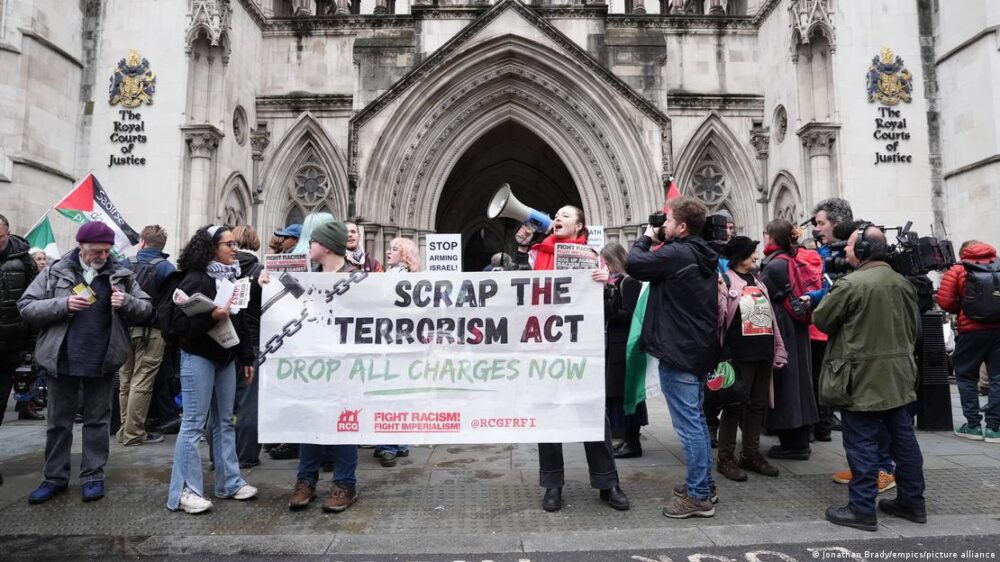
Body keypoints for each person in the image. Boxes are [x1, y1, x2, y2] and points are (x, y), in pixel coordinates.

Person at [18, 222, 152, 504]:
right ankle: (54, 478)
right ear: (81, 246)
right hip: (62, 358)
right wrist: (63, 304)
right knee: (58, 423)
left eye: (106, 251)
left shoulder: (122, 274)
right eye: (96, 251)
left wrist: (126, 301)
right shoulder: (55, 271)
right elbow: (26, 306)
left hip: (103, 359)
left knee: (98, 422)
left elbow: (146, 308)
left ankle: (93, 476)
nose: (102, 256)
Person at [512, 205, 628, 512]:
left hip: (581, 350)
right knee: (549, 415)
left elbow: (610, 311)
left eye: (566, 215)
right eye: (557, 215)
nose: (558, 218)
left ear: (579, 226)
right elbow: (514, 295)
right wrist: (522, 250)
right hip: (544, 349)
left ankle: (607, 482)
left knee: (593, 416)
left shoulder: (592, 257)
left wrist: (606, 286)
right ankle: (553, 484)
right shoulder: (536, 255)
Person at [814, 223, 926, 531]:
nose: (846, 250)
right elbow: (914, 330)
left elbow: (822, 320)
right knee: (903, 441)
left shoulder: (850, 285)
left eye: (850, 245)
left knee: (861, 443)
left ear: (863, 250)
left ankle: (862, 509)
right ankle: (913, 502)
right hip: (898, 377)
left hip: (860, 378)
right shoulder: (902, 283)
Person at [626, 196, 720, 518]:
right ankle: (704, 484)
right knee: (698, 422)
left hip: (679, 350)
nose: (662, 225)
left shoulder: (678, 253)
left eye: (667, 221)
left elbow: (634, 265)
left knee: (689, 425)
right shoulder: (701, 252)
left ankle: (698, 497)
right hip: (696, 348)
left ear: (681, 227)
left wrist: (645, 238)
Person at [165, 225, 257, 514]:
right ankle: (185, 491)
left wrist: (246, 358)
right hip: (198, 356)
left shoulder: (233, 277)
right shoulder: (195, 279)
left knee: (224, 421)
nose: (234, 249)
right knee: (193, 423)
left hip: (225, 358)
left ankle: (229, 482)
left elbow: (239, 320)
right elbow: (178, 326)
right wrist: (212, 317)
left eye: (235, 244)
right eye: (228, 244)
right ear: (211, 248)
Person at [277, 220, 362, 513]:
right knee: (310, 418)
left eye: (312, 241)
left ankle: (345, 484)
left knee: (344, 422)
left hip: (345, 364)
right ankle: (306, 481)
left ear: (326, 246)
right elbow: (288, 298)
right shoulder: (310, 276)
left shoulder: (356, 278)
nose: (308, 245)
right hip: (313, 363)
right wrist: (266, 281)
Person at [716, 236, 787, 481]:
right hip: (738, 357)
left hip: (762, 355)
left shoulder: (759, 283)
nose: (756, 256)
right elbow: (718, 321)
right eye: (750, 253)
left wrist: (779, 349)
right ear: (739, 258)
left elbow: (772, 320)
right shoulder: (725, 282)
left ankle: (750, 454)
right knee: (733, 406)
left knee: (757, 406)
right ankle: (725, 458)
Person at [759, 219, 819, 460]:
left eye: (766, 234)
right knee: (800, 381)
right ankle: (799, 440)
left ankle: (794, 445)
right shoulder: (789, 259)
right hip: (796, 327)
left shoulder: (775, 265)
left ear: (772, 237)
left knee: (788, 383)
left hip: (784, 328)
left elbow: (760, 293)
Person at [117, 225, 175, 446]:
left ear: (142, 242)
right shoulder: (167, 268)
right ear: (162, 245)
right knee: (142, 382)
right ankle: (133, 433)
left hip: (125, 329)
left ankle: (125, 430)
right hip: (153, 331)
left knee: (125, 381)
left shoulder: (125, 263)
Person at [937, 239, 1000, 442]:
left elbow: (945, 301)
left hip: (970, 330)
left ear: (963, 253)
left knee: (965, 376)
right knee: (998, 378)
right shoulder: (998, 266)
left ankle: (973, 426)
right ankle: (994, 428)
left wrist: (963, 310)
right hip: (998, 329)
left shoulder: (958, 270)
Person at [373, 236, 421, 467]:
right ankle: (400, 443)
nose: (388, 252)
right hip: (406, 344)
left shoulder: (396, 277)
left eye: (393, 249)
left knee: (388, 394)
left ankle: (388, 446)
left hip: (392, 343)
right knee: (402, 395)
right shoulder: (411, 277)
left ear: (404, 254)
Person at [598, 242, 646, 459]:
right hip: (615, 345)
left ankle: (632, 441)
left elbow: (629, 314)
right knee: (619, 394)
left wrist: (605, 309)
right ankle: (627, 439)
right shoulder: (614, 282)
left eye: (606, 262)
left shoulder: (630, 282)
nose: (604, 267)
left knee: (628, 394)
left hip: (626, 346)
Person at [1, 215, 41, 433]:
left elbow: (33, 303)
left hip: (11, 342)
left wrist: (31, 345)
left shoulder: (25, 261)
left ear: (8, 233)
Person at [232, 225, 266, 467]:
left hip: (223, 343)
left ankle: (219, 455)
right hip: (253, 342)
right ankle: (246, 455)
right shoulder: (261, 272)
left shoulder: (221, 270)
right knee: (249, 402)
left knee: (220, 404)